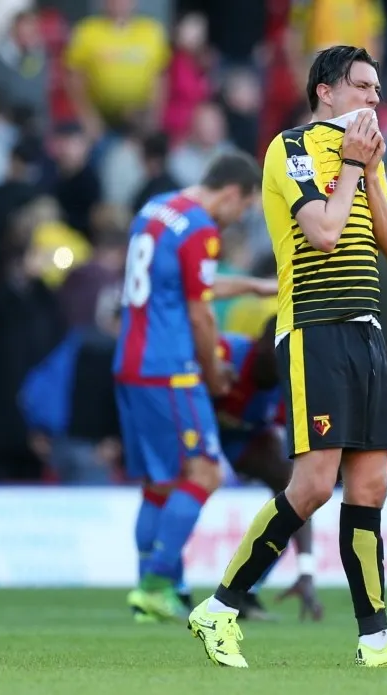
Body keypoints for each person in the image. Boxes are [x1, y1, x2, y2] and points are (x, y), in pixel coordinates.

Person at [188, 45, 387, 669]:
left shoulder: (370, 156)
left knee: (372, 485)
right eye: (362, 86)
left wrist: (371, 172)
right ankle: (219, 608)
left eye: (378, 89)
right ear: (325, 91)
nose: (374, 98)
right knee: (312, 485)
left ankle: (376, 639)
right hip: (314, 328)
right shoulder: (291, 148)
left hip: (366, 331)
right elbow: (324, 233)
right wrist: (354, 165)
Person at [115, 151, 267, 622]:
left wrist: (251, 287)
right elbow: (199, 313)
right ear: (232, 193)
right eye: (244, 208)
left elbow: (182, 285)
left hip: (131, 363)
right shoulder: (201, 227)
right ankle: (157, 584)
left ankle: (147, 594)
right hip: (170, 367)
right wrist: (215, 371)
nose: (237, 218)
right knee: (205, 473)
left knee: (160, 481)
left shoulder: (156, 209)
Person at [131, 317, 324, 624]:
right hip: (193, 425)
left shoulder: (296, 386)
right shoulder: (225, 352)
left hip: (243, 437)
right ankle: (167, 587)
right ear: (263, 344)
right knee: (177, 482)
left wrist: (306, 570)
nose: (289, 361)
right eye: (284, 350)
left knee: (292, 483)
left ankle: (244, 591)